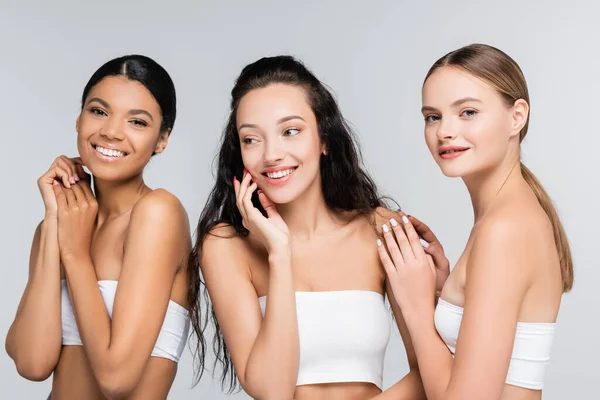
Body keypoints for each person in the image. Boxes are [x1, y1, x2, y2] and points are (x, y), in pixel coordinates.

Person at [190, 55, 447, 400]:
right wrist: (279, 253)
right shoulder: (225, 245)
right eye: (252, 139)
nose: (271, 155)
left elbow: (432, 372)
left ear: (324, 139)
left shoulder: (381, 230)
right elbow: (271, 390)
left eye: (290, 131)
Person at [378, 43, 574, 400]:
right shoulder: (506, 217)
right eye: (432, 116)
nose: (445, 131)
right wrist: (448, 291)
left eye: (467, 112)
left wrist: (418, 307)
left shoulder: (505, 229)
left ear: (517, 117)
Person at [6, 55, 193, 400]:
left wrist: (76, 254)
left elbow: (116, 378)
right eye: (99, 111)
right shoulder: (60, 225)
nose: (111, 131)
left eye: (137, 122)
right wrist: (53, 221)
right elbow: (32, 364)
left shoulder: (158, 213)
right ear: (78, 120)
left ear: (162, 139)